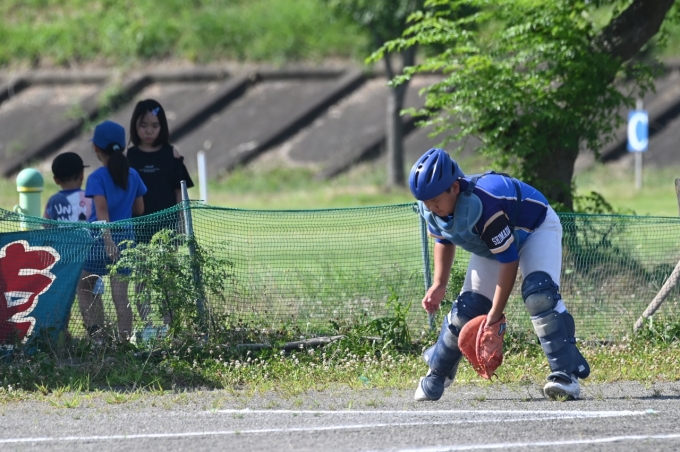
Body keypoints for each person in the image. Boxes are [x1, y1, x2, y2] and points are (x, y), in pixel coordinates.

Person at [410, 148, 590, 401]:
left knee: (539, 294)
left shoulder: (484, 205)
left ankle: (566, 374)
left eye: (435, 199)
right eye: (426, 201)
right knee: (469, 307)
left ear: (454, 187)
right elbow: (443, 239)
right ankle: (438, 370)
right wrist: (439, 284)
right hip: (493, 243)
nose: (430, 206)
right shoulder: (431, 207)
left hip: (534, 229)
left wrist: (494, 316)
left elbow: (509, 260)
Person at [125, 99, 193, 338]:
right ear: (135, 126)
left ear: (162, 126)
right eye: (143, 125)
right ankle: (147, 325)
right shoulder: (130, 156)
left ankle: (169, 324)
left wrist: (181, 221)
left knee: (167, 275)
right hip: (139, 226)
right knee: (141, 276)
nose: (149, 131)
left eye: (155, 125)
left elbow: (179, 191)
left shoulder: (171, 154)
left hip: (167, 227)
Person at [77, 120, 147, 342]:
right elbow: (140, 209)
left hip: (100, 239)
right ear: (123, 147)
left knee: (85, 285)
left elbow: (101, 211)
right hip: (126, 238)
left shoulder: (97, 177)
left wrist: (108, 242)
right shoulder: (133, 175)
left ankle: (98, 338)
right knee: (121, 296)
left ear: (96, 148)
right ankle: (124, 342)